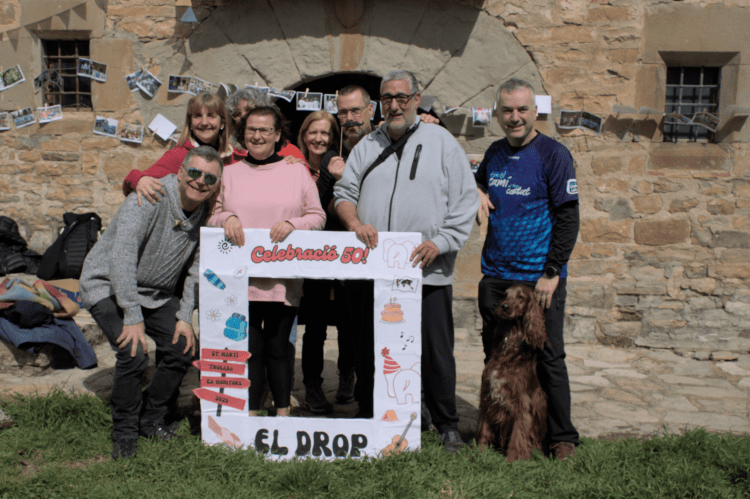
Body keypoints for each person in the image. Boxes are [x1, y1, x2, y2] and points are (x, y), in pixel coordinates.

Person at [334, 70, 479, 452]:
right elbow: (344, 193)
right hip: (373, 269)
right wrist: (354, 223)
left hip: (426, 269)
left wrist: (442, 242)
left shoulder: (441, 142)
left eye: (402, 97)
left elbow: (465, 200)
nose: (394, 105)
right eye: (387, 98)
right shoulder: (366, 146)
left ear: (416, 99)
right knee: (370, 347)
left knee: (434, 351)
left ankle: (446, 424)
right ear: (379, 104)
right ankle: (370, 412)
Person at [80, 146, 223, 459]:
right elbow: (122, 256)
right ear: (180, 172)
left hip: (157, 294)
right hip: (107, 284)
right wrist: (132, 316)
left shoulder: (205, 216)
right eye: (194, 173)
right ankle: (124, 431)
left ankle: (150, 419)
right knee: (133, 353)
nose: (200, 181)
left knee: (183, 347)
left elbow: (197, 269)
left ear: (216, 185)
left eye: (209, 178)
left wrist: (185, 316)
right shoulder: (149, 197)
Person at [474, 77, 580, 461]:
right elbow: (478, 182)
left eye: (522, 109)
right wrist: (477, 190)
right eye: (507, 110)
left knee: (548, 357)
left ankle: (561, 438)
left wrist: (551, 272)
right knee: (497, 356)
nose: (515, 117)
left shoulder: (553, 154)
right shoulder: (494, 153)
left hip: (538, 277)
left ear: (535, 111)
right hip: (496, 275)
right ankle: (500, 429)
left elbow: (569, 217)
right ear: (497, 114)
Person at [208, 105, 325, 417]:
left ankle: (282, 414)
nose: (257, 136)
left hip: (282, 277)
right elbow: (211, 216)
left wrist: (293, 224)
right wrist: (227, 217)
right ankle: (251, 413)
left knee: (278, 347)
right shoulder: (229, 173)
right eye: (251, 129)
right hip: (239, 278)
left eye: (264, 130)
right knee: (251, 348)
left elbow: (317, 216)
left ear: (277, 135)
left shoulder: (296, 171)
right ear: (242, 133)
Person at [295, 111, 357, 414]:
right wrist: (328, 177)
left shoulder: (344, 163)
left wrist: (339, 175)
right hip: (311, 253)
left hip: (344, 250)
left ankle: (347, 375)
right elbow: (312, 209)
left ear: (334, 138)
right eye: (313, 132)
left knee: (347, 321)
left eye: (326, 133)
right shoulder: (294, 167)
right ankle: (313, 385)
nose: (319, 139)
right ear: (304, 135)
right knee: (316, 323)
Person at [122, 93, 242, 207]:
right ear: (190, 123)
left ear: (222, 123)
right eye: (198, 116)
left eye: (211, 116)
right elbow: (134, 178)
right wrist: (140, 179)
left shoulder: (235, 158)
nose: (204, 122)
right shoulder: (179, 154)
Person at [225, 88, 306, 161]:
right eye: (237, 113)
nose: (243, 116)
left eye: (249, 109)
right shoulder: (227, 154)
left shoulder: (289, 152)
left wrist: (297, 167)